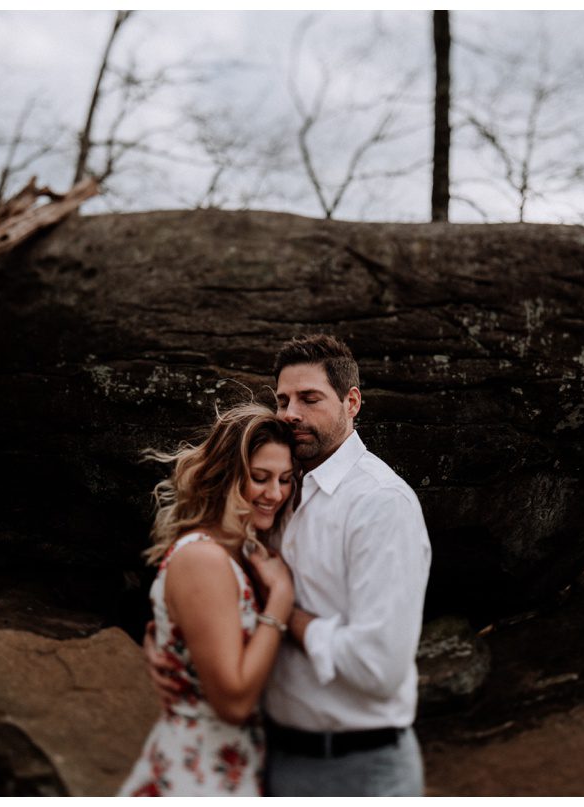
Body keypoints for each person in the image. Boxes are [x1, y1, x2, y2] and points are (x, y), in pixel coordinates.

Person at [147, 334, 433, 797]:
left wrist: (288, 614)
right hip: (272, 758)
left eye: (309, 398)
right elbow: (214, 594)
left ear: (351, 402)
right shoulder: (276, 492)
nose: (290, 413)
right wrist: (177, 654)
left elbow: (379, 668)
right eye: (282, 400)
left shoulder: (380, 503)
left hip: (358, 768)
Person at [118, 403, 299, 796]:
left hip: (233, 771)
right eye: (260, 478)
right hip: (194, 776)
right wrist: (280, 601)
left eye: (285, 479)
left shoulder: (243, 554)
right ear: (227, 475)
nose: (275, 493)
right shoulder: (204, 558)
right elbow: (233, 703)